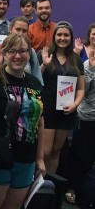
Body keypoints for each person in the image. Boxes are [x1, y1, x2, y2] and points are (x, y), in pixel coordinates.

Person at [0, 33, 46, 209]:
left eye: (23, 51)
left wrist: (40, 158)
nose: (18, 56)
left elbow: (40, 121)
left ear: (30, 54)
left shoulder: (35, 83)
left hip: (26, 158)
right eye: (12, 51)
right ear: (4, 53)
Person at [39, 21, 85, 173]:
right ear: (54, 36)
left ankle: (50, 185)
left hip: (66, 111)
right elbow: (34, 80)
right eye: (59, 34)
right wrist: (44, 64)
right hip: (47, 109)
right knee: (44, 152)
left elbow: (81, 89)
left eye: (66, 35)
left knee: (56, 151)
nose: (62, 38)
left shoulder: (77, 59)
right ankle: (38, 186)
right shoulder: (45, 54)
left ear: (70, 37)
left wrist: (75, 104)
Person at [66, 50, 95, 205]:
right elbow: (84, 90)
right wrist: (91, 69)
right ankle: (75, 189)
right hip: (87, 117)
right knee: (82, 157)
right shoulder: (86, 65)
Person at [0, 17, 44, 85]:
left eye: (24, 31)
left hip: (26, 92)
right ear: (10, 29)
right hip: (2, 91)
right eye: (18, 29)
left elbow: (38, 79)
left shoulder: (31, 51)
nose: (20, 33)